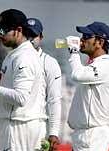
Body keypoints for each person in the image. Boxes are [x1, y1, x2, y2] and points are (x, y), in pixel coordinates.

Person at [0, 9, 47, 151]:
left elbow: (20, 98)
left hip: (21, 128)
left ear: (18, 30)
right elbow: (3, 95)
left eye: (2, 30)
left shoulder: (24, 57)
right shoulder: (12, 55)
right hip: (11, 125)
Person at [66, 22, 109, 151]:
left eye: (86, 36)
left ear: (100, 42)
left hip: (93, 136)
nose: (81, 40)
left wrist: (74, 51)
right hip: (82, 135)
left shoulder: (104, 65)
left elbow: (77, 75)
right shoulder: (92, 65)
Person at [26, 17, 62, 150]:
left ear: (41, 37)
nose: (30, 39)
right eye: (27, 34)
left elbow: (54, 99)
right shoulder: (12, 59)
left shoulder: (49, 63)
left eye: (33, 35)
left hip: (37, 127)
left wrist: (53, 132)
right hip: (14, 127)